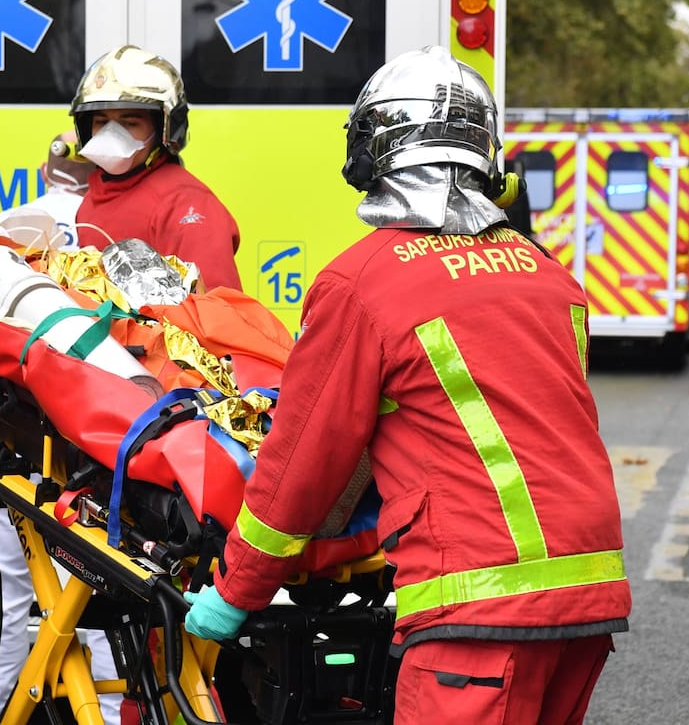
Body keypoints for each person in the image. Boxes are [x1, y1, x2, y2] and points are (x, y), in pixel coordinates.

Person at [183, 46, 632, 724]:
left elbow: (301, 465)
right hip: (587, 598)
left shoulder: (364, 283)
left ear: (374, 151)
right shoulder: (549, 277)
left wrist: (237, 590)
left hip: (478, 611)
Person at [0, 131, 124, 725]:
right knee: (107, 600)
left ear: (47, 171)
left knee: (2, 605)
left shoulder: (13, 227)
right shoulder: (118, 237)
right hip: (98, 449)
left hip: (12, 442)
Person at [70, 45, 243, 292]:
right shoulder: (94, 198)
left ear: (165, 129)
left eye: (129, 123)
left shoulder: (185, 204)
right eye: (101, 122)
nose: (111, 133)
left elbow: (217, 311)